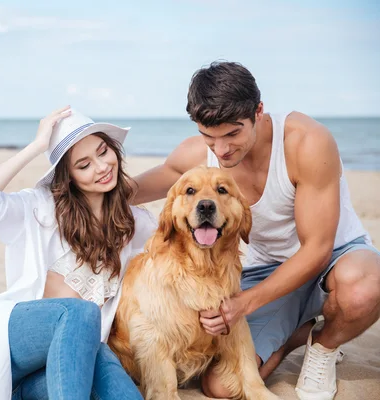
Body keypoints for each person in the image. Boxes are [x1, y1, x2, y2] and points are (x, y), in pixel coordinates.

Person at [132, 62, 380, 400]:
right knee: (220, 387)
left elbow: (317, 249)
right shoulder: (196, 155)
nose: (220, 150)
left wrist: (245, 303)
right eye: (209, 136)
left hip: (335, 257)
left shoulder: (306, 142)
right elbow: (128, 191)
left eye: (233, 134)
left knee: (365, 288)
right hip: (267, 269)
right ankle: (299, 330)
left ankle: (324, 346)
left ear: (258, 112)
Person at [0, 106, 156, 400]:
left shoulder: (133, 223)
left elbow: (179, 245)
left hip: (68, 362)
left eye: (103, 151)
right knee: (80, 313)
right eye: (84, 165)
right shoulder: (41, 209)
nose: (101, 167)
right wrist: (37, 147)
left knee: (116, 381)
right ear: (69, 176)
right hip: (17, 346)